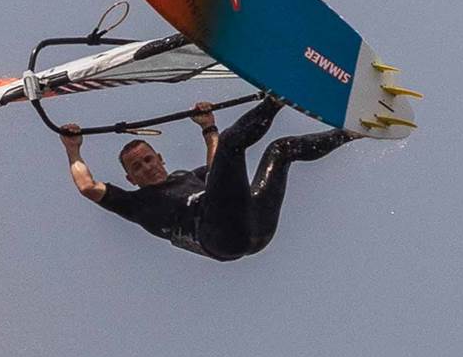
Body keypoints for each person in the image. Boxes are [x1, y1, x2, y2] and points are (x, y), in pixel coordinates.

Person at [59, 96, 352, 261]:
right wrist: (73, 149)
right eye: (137, 167)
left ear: (160, 159)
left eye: (148, 159)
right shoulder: (136, 203)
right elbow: (87, 186)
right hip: (219, 236)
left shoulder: (188, 178)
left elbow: (216, 170)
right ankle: (279, 96)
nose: (146, 167)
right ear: (130, 179)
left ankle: (351, 132)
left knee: (281, 149)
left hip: (256, 227)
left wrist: (208, 128)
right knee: (231, 144)